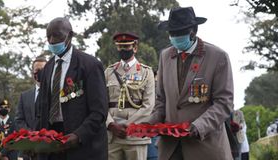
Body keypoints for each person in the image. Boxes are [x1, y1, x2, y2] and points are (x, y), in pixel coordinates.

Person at [148, 7, 234, 160]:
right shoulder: (165, 56)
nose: (175, 37)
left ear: (193, 31)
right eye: (171, 33)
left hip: (205, 146)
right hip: (170, 148)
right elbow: (161, 99)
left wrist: (198, 126)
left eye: (179, 33)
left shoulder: (217, 57)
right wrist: (149, 124)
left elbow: (224, 103)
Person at [35, 17, 108, 160]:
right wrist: (34, 143)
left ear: (70, 35)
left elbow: (99, 112)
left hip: (83, 146)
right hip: (52, 145)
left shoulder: (90, 65)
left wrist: (78, 136)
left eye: (57, 35)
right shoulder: (48, 68)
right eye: (48, 36)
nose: (51, 41)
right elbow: (41, 111)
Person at [105, 32, 155, 160]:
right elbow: (101, 103)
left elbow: (148, 105)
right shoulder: (109, 72)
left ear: (135, 47)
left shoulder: (146, 72)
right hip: (112, 134)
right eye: (120, 47)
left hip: (135, 134)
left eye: (126, 46)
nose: (123, 50)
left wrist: (128, 126)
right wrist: (110, 124)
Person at [15, 56, 47, 160]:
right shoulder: (24, 96)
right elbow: (19, 119)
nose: (40, 73)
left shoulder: (55, 95)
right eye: (37, 70)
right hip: (28, 150)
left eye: (43, 70)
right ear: (33, 73)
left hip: (49, 148)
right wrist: (30, 135)